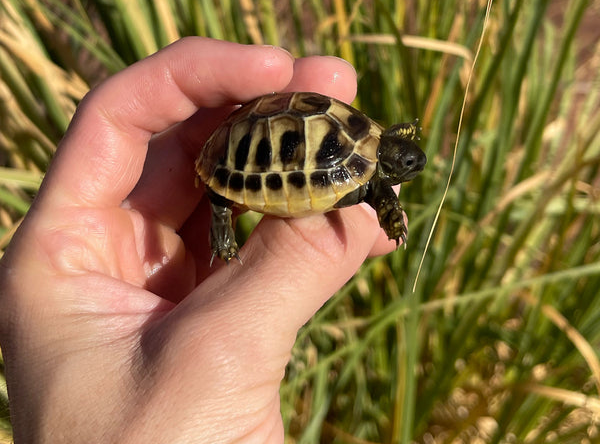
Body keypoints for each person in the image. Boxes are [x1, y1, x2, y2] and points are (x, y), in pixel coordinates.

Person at [0, 38, 398, 443]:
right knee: (228, 199)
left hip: (279, 147)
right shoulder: (366, 173)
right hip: (253, 155)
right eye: (402, 165)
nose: (405, 170)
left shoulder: (369, 151)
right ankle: (220, 213)